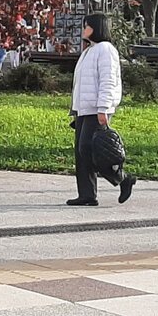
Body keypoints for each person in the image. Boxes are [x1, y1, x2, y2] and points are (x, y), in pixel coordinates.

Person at [67, 13, 137, 206]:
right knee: (81, 152)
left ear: (97, 28)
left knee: (89, 149)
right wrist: (76, 108)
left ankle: (122, 178)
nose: (84, 30)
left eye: (87, 26)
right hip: (83, 110)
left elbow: (108, 81)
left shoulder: (105, 50)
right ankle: (87, 194)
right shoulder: (89, 51)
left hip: (97, 109)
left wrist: (103, 108)